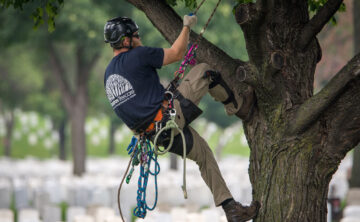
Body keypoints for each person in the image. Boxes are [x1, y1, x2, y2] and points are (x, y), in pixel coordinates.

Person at [103, 15, 260, 222]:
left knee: (204, 154)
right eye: (136, 35)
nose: (139, 38)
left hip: (158, 137)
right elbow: (177, 53)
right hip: (170, 118)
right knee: (205, 71)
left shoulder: (108, 76)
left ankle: (231, 209)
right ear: (125, 41)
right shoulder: (138, 55)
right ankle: (238, 108)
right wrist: (186, 26)